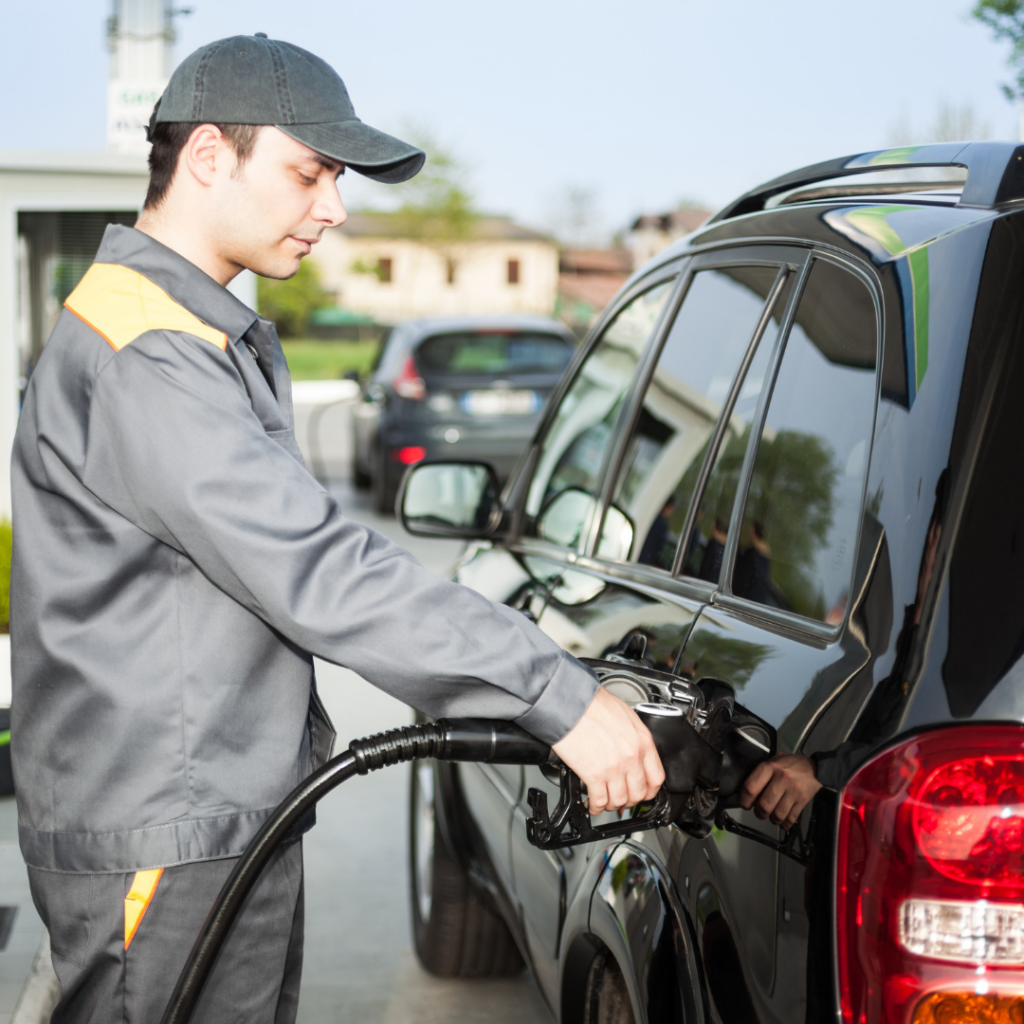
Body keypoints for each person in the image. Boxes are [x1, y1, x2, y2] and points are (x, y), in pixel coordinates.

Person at [10, 36, 664, 1024]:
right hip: (167, 839)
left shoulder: (188, 333)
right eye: (309, 172)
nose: (335, 207)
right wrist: (556, 696)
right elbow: (322, 570)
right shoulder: (146, 354)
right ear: (207, 159)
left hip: (203, 822)